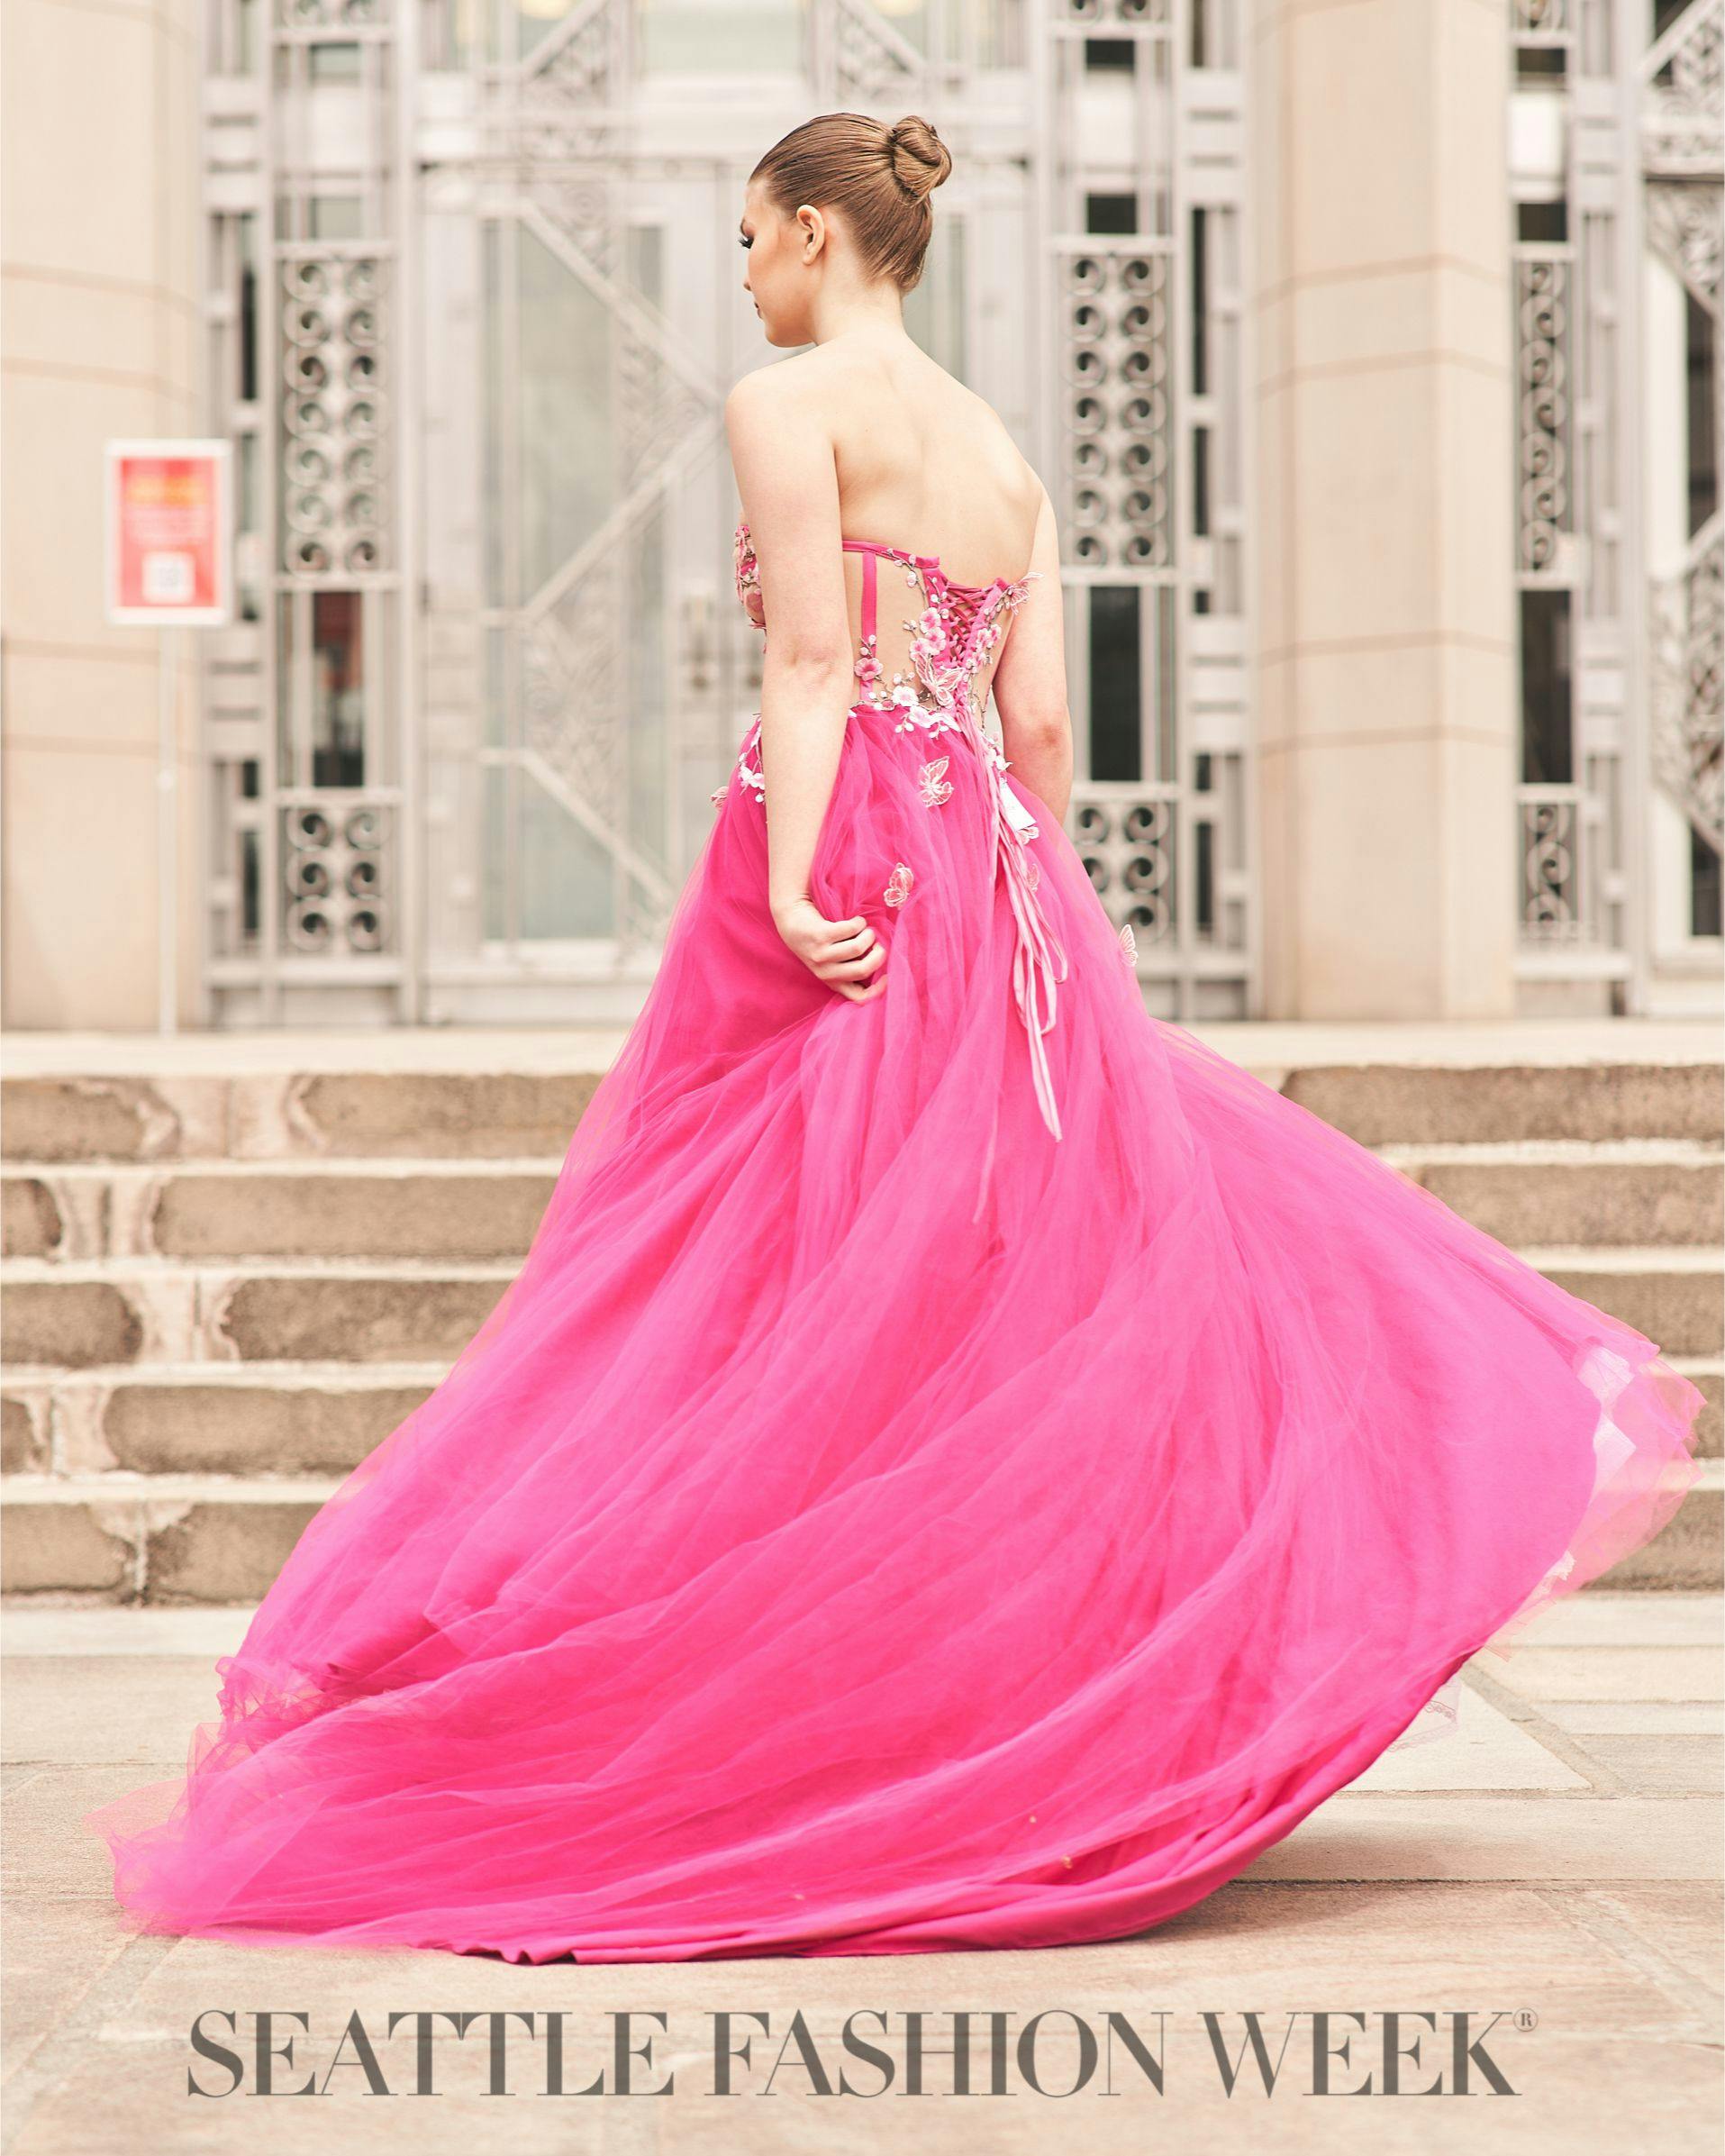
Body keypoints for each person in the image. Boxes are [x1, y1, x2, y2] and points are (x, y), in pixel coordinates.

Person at [85, 113, 1704, 1966]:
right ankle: (981, 1709)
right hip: (1001, 892)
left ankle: (725, 1709)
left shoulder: (789, 409)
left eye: (752, 236)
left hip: (846, 838)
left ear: (808, 234)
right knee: (961, 1295)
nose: (747, 272)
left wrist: (788, 886)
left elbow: (806, 672)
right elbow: (1031, 732)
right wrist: (1043, 922)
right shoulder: (1002, 456)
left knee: (730, 1280)